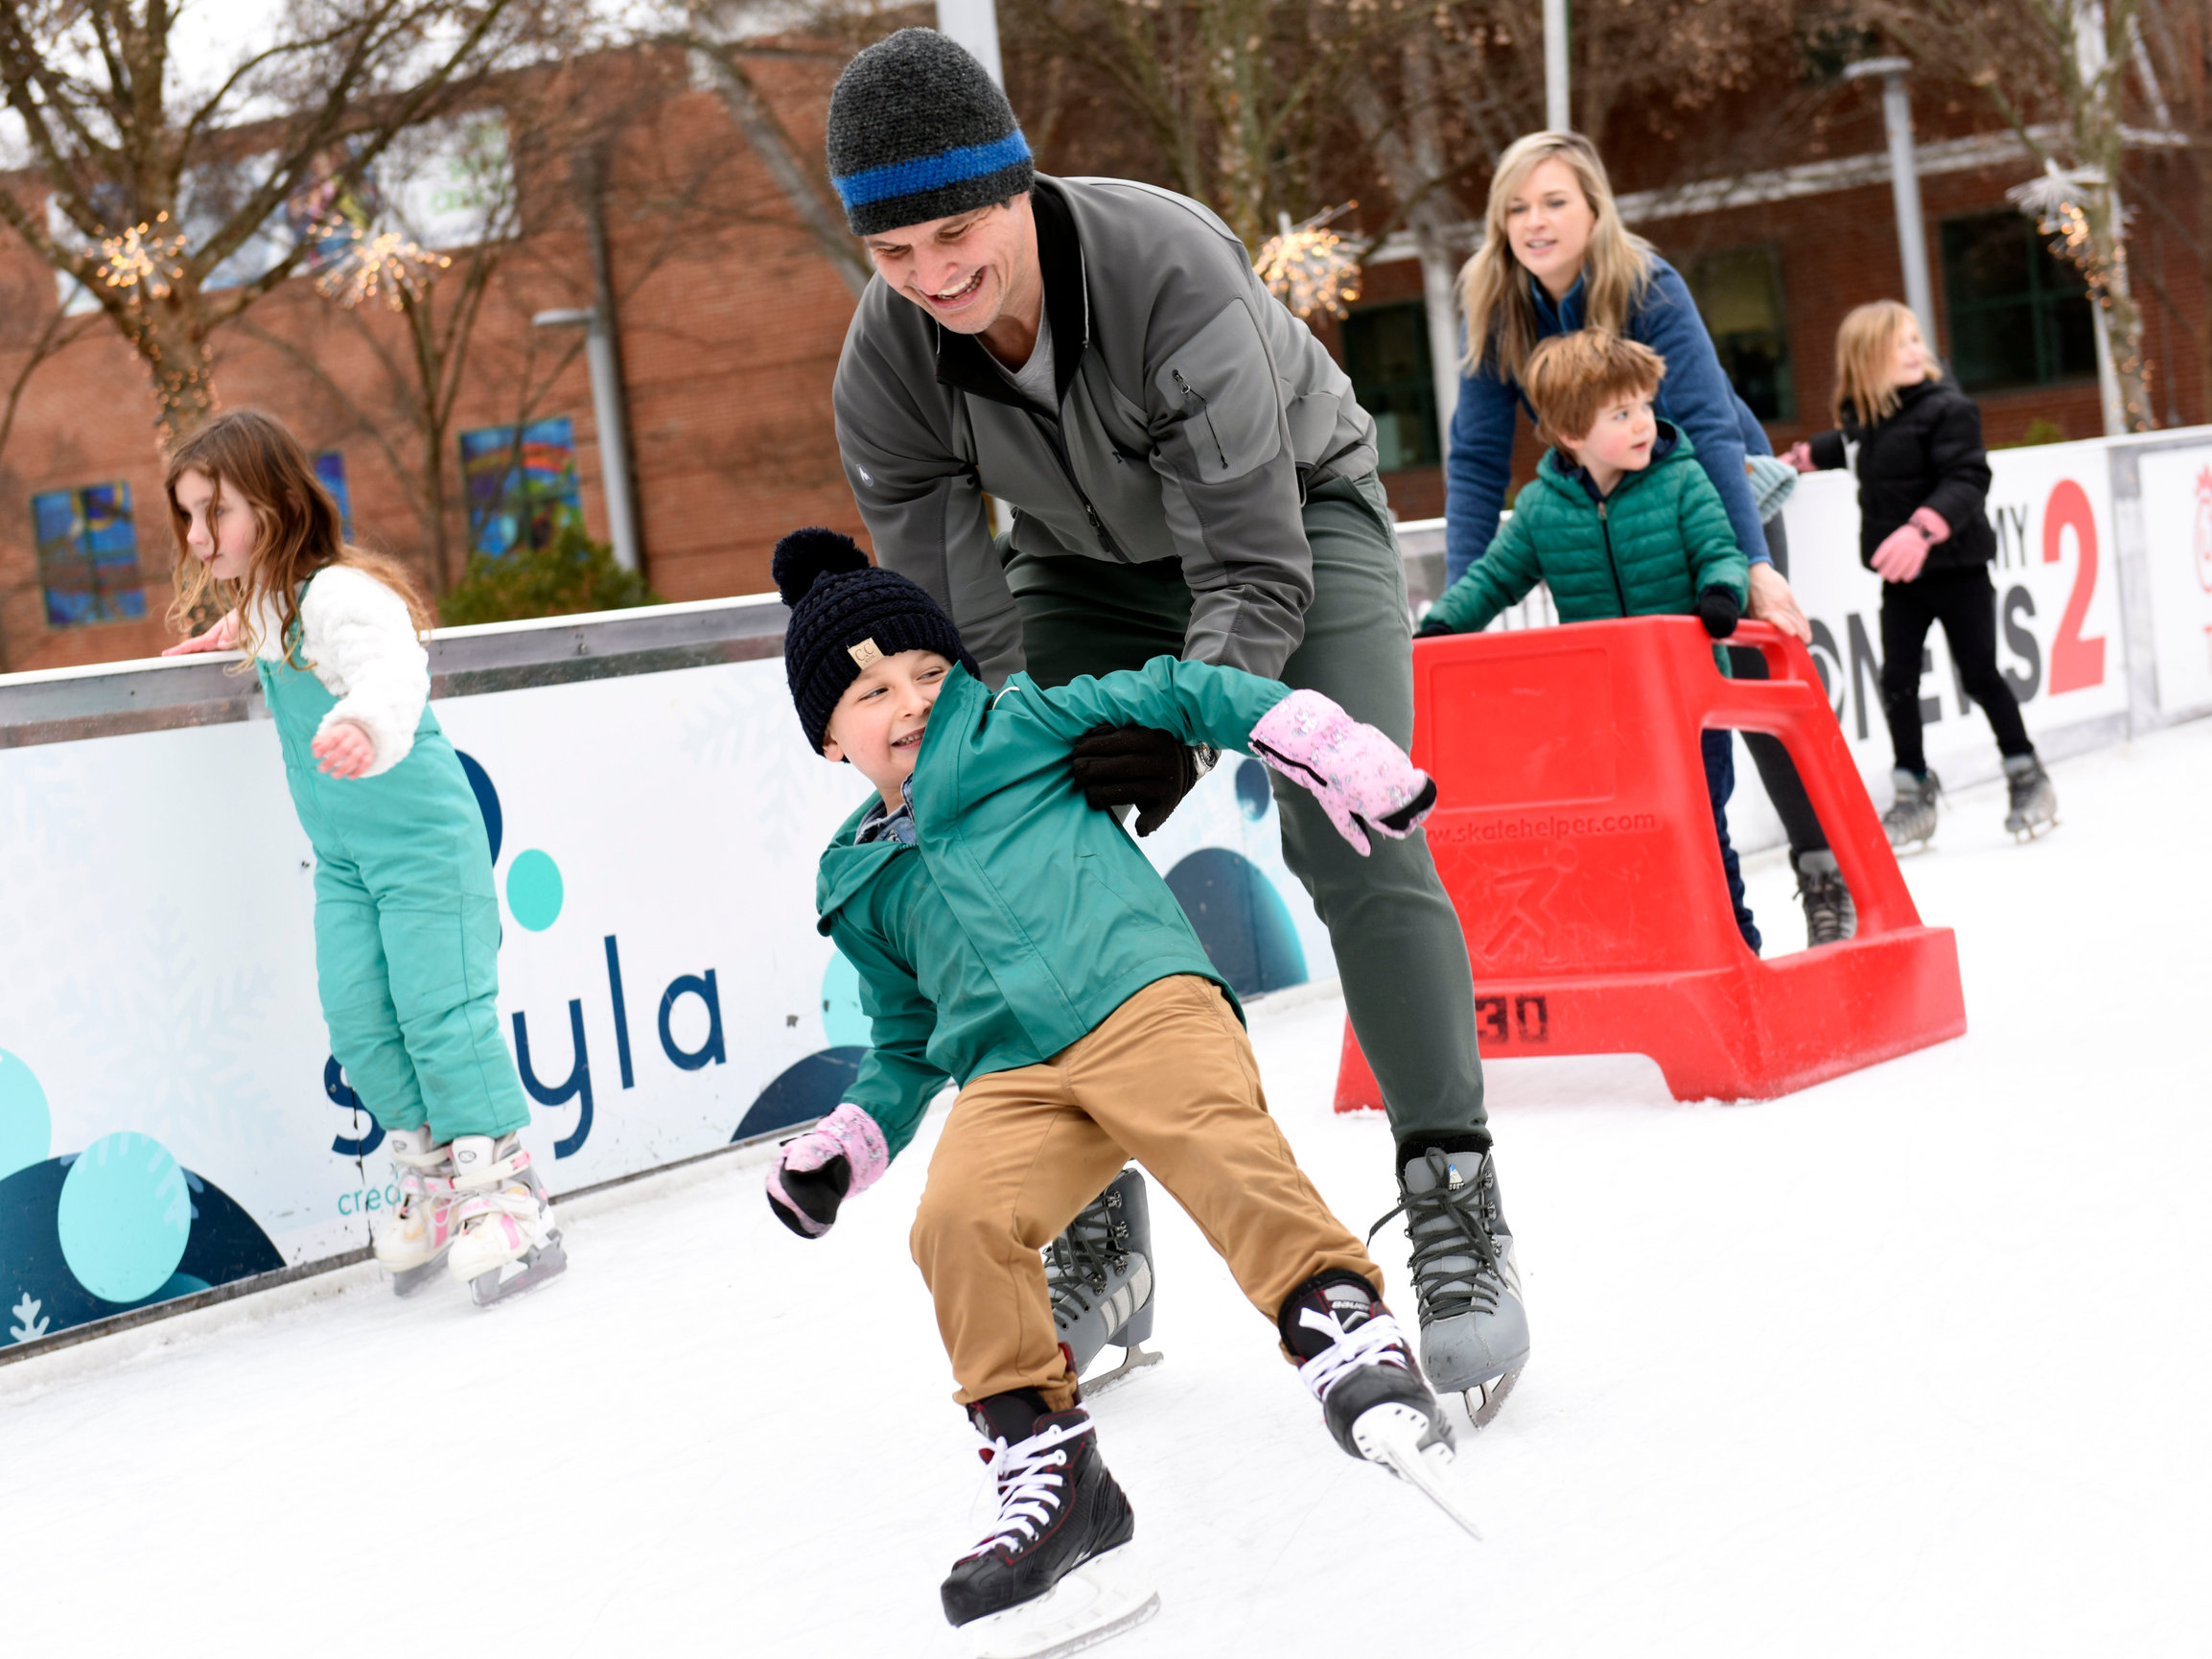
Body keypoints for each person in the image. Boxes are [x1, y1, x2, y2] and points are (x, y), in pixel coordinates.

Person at [824, 27, 1525, 1420]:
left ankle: (1451, 1196)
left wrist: (1191, 725)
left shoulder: (1165, 265)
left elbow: (1252, 564)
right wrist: (1023, 769)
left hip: (1296, 529)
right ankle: (1093, 1217)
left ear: (1017, 187)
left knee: (1348, 834)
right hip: (1075, 572)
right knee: (1023, 862)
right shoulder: (885, 365)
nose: (931, 278)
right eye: (892, 255)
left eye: (955, 233)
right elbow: (955, 644)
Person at [762, 527, 1472, 1644]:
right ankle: (1053, 1473)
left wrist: (1312, 737)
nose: (906, 700)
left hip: (1142, 997)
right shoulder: (855, 877)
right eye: (867, 691)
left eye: (927, 671)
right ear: (824, 737)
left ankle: (1339, 1322)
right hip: (1013, 1075)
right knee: (956, 1221)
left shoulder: (1022, 724)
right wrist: (846, 1141)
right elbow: (905, 1040)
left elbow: (1179, 686)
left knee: (1207, 1135)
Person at [161, 410, 565, 1307]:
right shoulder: (269, 605)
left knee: (441, 1011)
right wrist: (232, 632)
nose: (196, 536)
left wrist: (363, 720)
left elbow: (391, 668)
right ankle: (428, 1174)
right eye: (186, 516)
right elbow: (271, 627)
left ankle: (505, 1191)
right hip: (345, 860)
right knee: (357, 1020)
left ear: (269, 503)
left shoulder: (342, 594)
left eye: (213, 511)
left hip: (422, 846)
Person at [1444, 129, 1854, 947]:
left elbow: (1703, 423)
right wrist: (1461, 611)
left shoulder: (1647, 283)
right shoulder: (1499, 305)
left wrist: (1754, 565)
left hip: (1711, 494)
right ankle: (1683, 903)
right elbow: (1476, 458)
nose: (1536, 222)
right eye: (1518, 207)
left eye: (1554, 201)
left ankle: (1822, 871)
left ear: (1593, 209)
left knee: (1745, 683)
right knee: (1631, 719)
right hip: (1606, 511)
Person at [1420, 331, 1758, 946]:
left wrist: (1720, 594)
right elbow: (1494, 578)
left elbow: (1720, 549)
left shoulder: (1682, 481)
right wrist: (1442, 627)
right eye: (1621, 414)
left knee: (1702, 826)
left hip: (1690, 701)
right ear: (1572, 434)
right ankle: (1644, 943)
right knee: (1620, 832)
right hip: (1603, 712)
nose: (1643, 425)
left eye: (1646, 408)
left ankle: (1735, 940)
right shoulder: (1542, 510)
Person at [1786, 301, 2058, 845]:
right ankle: (1912, 790)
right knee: (1897, 681)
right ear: (1867, 360)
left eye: (1916, 339)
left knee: (1980, 672)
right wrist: (1803, 456)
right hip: (1904, 580)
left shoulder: (1949, 409)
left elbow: (1967, 476)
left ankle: (2027, 774)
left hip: (1958, 567)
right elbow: (1853, 446)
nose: (1916, 351)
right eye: (1900, 343)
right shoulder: (1866, 417)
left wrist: (1923, 529)